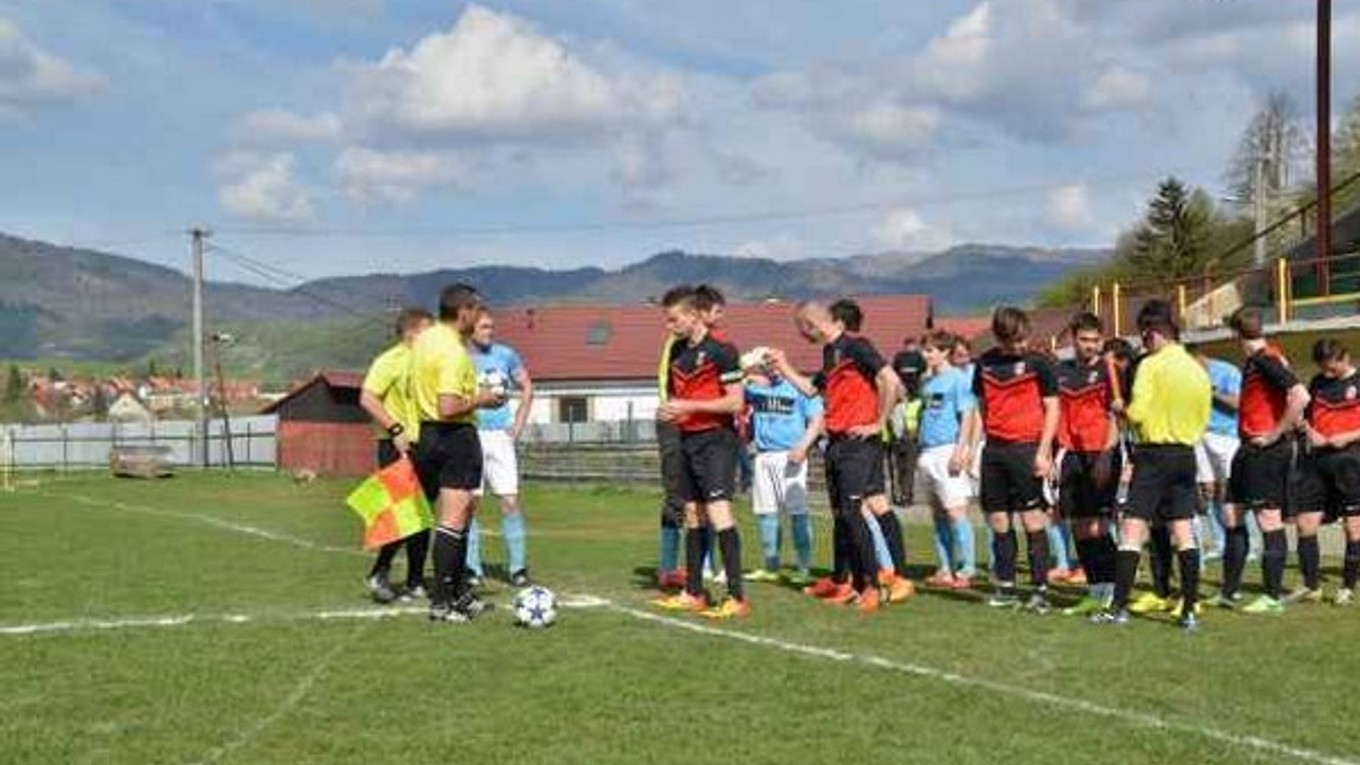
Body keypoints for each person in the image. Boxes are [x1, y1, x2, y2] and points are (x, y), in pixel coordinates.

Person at [769, 299, 913, 612]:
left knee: (853, 513)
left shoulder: (857, 347)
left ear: (811, 324)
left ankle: (873, 585)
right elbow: (810, 390)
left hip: (857, 443)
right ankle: (847, 582)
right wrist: (782, 365)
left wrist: (878, 422)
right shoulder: (829, 353)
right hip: (836, 442)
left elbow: (891, 380)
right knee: (843, 516)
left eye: (801, 328)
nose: (801, 335)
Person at [1091, 300, 1210, 631]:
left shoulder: (1151, 366)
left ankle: (1117, 608)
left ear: (1156, 332)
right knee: (1183, 533)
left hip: (1153, 455)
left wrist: (1120, 406)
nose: (1143, 343)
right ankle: (1188, 611)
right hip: (1185, 453)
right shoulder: (1197, 369)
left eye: (1144, 336)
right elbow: (1203, 417)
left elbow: (1137, 413)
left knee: (1132, 531)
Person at [651, 286, 750, 619]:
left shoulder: (723, 351)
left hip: (717, 440)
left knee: (719, 512)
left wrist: (689, 405)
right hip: (688, 440)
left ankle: (736, 596)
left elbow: (736, 402)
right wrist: (673, 412)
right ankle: (693, 592)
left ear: (694, 316)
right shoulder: (678, 350)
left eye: (674, 319)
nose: (669, 326)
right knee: (692, 514)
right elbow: (679, 398)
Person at [410, 284, 506, 623]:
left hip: (427, 433)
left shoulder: (424, 340)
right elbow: (448, 405)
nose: (480, 316)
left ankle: (459, 593)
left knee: (463, 516)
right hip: (452, 434)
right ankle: (441, 603)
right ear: (463, 310)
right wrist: (482, 399)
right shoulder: (451, 350)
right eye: (477, 309)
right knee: (452, 521)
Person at [1215, 307, 1311, 614]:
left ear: (1235, 334)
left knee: (1268, 519)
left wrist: (1274, 433)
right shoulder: (1262, 359)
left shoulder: (1265, 359)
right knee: (1231, 513)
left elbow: (1300, 395)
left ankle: (1271, 598)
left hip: (1265, 450)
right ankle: (1228, 592)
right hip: (1247, 449)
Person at [964, 306, 1060, 612]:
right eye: (1014, 341)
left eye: (1023, 338)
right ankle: (1006, 588)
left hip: (1026, 448)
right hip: (994, 450)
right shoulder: (985, 364)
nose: (1021, 345)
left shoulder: (1039, 364)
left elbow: (1053, 409)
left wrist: (1044, 452)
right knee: (998, 521)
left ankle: (1040, 590)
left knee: (1033, 521)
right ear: (999, 338)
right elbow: (980, 407)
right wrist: (971, 447)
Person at [358, 307, 434, 604]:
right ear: (412, 332)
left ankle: (416, 581)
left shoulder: (430, 363)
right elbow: (367, 397)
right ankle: (379, 570)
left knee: (422, 515)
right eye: (429, 330)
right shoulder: (389, 361)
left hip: (427, 445)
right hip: (396, 445)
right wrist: (395, 428)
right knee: (401, 514)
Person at [1053, 312, 1121, 616]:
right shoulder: (1061, 372)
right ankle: (1095, 591)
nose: (1090, 345)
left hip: (1101, 454)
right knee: (1079, 527)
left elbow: (1117, 417)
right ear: (1073, 339)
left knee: (1098, 526)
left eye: (1095, 340)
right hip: (1071, 455)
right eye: (1084, 339)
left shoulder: (1110, 373)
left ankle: (1113, 589)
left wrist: (1108, 454)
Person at [465, 310, 535, 588]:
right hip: (470, 436)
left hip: (500, 438)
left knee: (510, 501)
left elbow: (527, 387)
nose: (489, 331)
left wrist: (518, 423)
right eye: (484, 327)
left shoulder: (506, 355)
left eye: (491, 327)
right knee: (471, 504)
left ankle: (517, 568)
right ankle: (473, 569)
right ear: (470, 329)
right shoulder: (461, 358)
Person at [740, 352, 823, 583]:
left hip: (791, 456)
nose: (772, 368)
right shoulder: (756, 389)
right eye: (766, 364)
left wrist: (803, 446)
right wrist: (746, 374)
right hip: (764, 456)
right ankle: (771, 566)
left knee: (798, 513)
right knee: (766, 513)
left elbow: (817, 420)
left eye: (775, 363)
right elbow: (731, 389)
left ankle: (804, 567)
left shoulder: (798, 386)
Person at [1297, 338, 1360, 605]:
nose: (1328, 373)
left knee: (1353, 527)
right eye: (1323, 368)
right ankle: (1311, 586)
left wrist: (1346, 437)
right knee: (1305, 523)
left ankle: (1347, 586)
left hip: (1351, 462)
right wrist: (1312, 434)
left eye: (1332, 368)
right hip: (1317, 463)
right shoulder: (1318, 383)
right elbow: (1304, 419)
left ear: (1345, 358)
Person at [915, 330, 978, 590]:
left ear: (944, 352)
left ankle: (967, 568)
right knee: (938, 514)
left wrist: (961, 451)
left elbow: (967, 416)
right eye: (924, 350)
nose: (925, 355)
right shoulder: (927, 382)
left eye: (930, 350)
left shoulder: (958, 380)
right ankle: (944, 568)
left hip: (948, 449)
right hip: (927, 451)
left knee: (956, 512)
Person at [1188, 344, 1244, 564]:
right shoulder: (1187, 376)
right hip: (1200, 435)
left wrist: (1211, 390)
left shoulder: (1227, 371)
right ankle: (1220, 542)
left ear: (1200, 357)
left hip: (1227, 437)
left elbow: (1239, 403)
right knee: (1207, 491)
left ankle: (1244, 543)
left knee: (1231, 490)